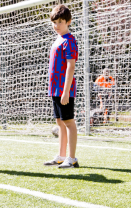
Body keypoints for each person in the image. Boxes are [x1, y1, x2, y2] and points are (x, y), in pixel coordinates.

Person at [43, 5, 79, 169]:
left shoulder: (70, 41)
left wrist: (66, 91)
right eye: (54, 22)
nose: (57, 25)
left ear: (68, 22)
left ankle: (72, 159)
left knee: (69, 122)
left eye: (60, 22)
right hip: (55, 89)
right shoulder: (57, 40)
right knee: (60, 122)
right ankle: (61, 156)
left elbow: (71, 66)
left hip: (65, 90)